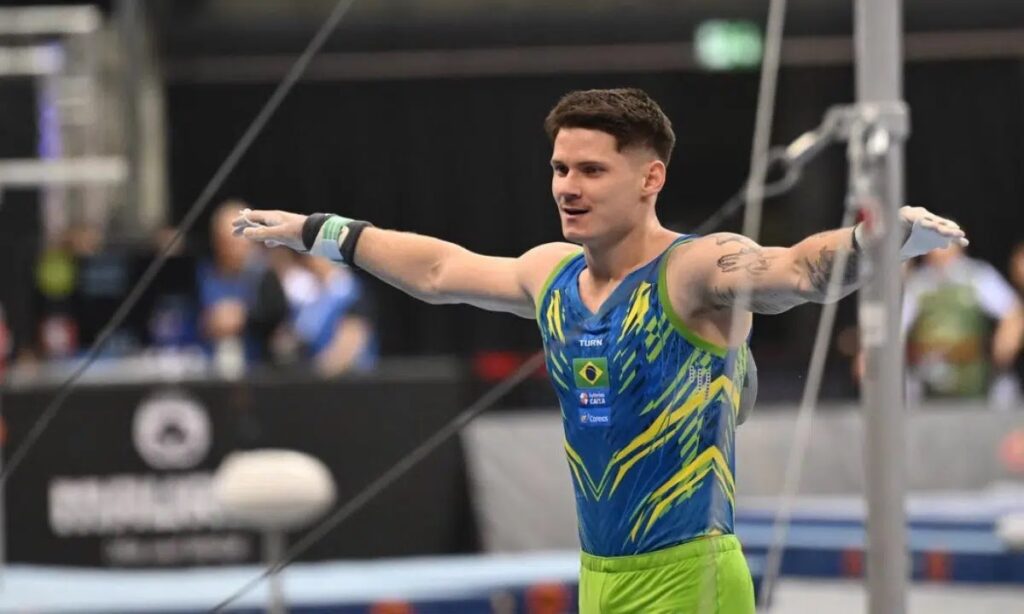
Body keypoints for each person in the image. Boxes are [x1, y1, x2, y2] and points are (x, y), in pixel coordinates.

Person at [233, 89, 966, 613]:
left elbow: (796, 270)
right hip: (600, 574)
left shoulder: (695, 269)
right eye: (560, 169)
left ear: (650, 178)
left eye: (591, 171)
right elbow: (435, 271)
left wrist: (881, 241)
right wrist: (320, 231)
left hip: (692, 580)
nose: (568, 188)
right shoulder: (551, 273)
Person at [903, 242, 1024, 407]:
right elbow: (899, 325)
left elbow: (1010, 309)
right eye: (934, 246)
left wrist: (1006, 338)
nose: (939, 252)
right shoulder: (918, 283)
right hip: (927, 369)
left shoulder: (978, 276)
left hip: (972, 368)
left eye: (945, 245)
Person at [198, 200, 288, 375]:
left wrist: (244, 316)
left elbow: (278, 315)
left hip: (255, 368)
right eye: (228, 241)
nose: (236, 247)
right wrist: (208, 321)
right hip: (206, 367)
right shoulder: (202, 274)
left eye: (241, 240)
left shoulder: (264, 276)